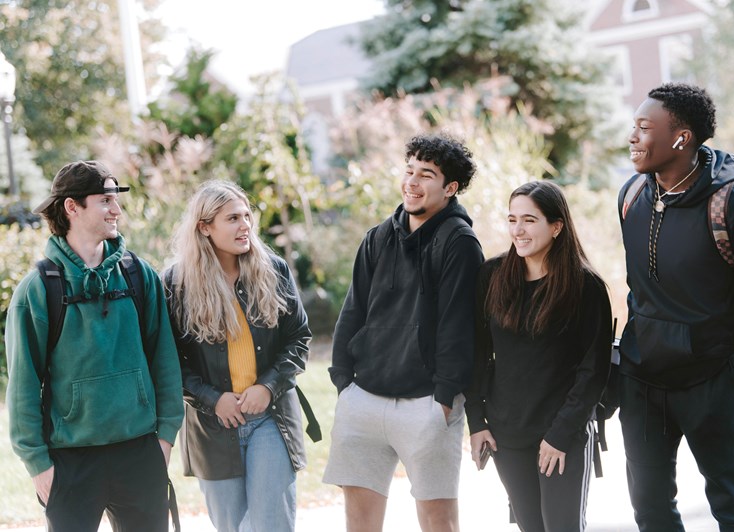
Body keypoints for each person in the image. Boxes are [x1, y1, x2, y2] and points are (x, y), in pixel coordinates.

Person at [618, 82, 734, 530]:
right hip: (643, 383)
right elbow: (637, 289)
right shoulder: (631, 196)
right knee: (651, 511)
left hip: (713, 383)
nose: (632, 137)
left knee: (733, 511)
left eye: (643, 127)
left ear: (681, 138)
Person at [4, 160, 184, 531]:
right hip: (70, 462)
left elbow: (165, 361)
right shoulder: (38, 290)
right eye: (105, 200)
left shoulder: (139, 276)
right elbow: (22, 386)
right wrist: (39, 466)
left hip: (140, 454)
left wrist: (164, 438)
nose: (116, 209)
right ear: (72, 207)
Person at [323, 133, 484, 532]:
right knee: (359, 523)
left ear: (450, 188)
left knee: (438, 522)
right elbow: (353, 310)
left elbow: (459, 327)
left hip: (426, 404)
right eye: (409, 170)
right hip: (364, 399)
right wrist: (344, 382)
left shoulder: (459, 243)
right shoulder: (378, 237)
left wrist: (444, 399)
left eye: (426, 175)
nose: (411, 182)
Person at [162, 180, 312, 532]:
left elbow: (298, 338)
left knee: (272, 525)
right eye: (232, 218)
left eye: (247, 216)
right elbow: (168, 361)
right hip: (213, 426)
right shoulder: (175, 284)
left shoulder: (273, 270)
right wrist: (212, 400)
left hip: (270, 418)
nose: (245, 225)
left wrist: (269, 387)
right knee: (232, 527)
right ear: (204, 227)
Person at [465, 181, 612, 532]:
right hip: (507, 434)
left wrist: (560, 435)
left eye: (529, 220)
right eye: (512, 219)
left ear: (556, 226)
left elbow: (594, 370)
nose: (518, 230)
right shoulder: (492, 276)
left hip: (562, 435)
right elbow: (477, 353)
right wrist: (477, 421)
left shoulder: (585, 287)